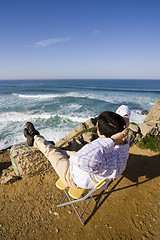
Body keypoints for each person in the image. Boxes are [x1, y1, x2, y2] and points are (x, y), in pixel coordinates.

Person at [24, 105, 130, 189]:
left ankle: (34, 137)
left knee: (50, 151)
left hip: (72, 176)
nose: (96, 127)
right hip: (82, 166)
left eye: (97, 127)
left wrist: (113, 140)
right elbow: (124, 108)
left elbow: (82, 159)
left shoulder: (96, 158)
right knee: (57, 150)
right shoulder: (123, 138)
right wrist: (125, 119)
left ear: (104, 136)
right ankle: (38, 140)